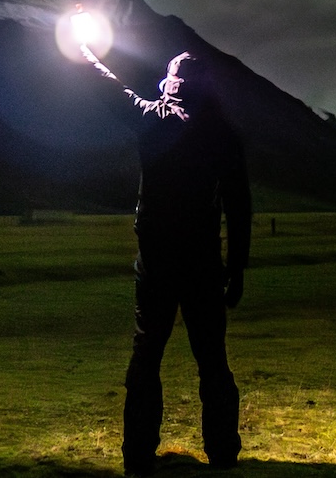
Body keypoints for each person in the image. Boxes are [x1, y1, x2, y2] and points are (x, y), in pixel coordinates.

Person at [82, 45, 251, 475]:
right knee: (212, 358)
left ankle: (138, 456)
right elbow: (239, 206)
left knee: (146, 354)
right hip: (203, 262)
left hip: (156, 259)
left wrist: (84, 53)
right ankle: (223, 453)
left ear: (171, 82)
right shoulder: (222, 135)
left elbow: (110, 89)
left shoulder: (154, 119)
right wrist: (236, 268)